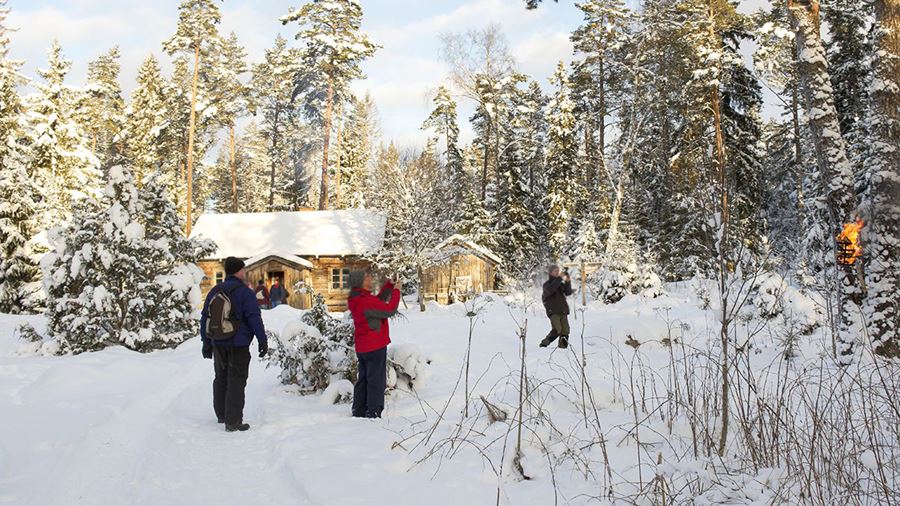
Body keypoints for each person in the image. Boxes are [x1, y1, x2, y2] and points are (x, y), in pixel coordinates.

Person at [200, 257, 269, 432]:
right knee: (237, 379)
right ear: (238, 271)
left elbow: (205, 318)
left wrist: (206, 343)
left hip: (218, 342)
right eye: (243, 269)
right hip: (238, 343)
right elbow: (254, 317)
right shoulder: (244, 293)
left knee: (221, 377)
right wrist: (262, 340)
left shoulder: (215, 290)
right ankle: (233, 421)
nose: (244, 272)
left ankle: (222, 414)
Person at [347, 270, 401, 418]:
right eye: (367, 278)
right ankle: (374, 413)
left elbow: (377, 303)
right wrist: (396, 291)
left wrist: (389, 285)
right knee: (376, 381)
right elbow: (389, 310)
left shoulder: (357, 298)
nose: (370, 279)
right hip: (375, 346)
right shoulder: (365, 301)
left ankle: (358, 411)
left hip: (363, 347)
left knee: (363, 379)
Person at [540, 265, 573, 349]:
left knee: (565, 330)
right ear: (550, 273)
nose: (557, 273)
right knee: (557, 329)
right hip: (553, 311)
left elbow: (568, 292)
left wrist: (568, 282)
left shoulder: (559, 283)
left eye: (558, 271)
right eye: (555, 271)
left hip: (563, 310)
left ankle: (563, 347)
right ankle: (544, 344)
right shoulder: (547, 285)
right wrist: (560, 278)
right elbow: (551, 289)